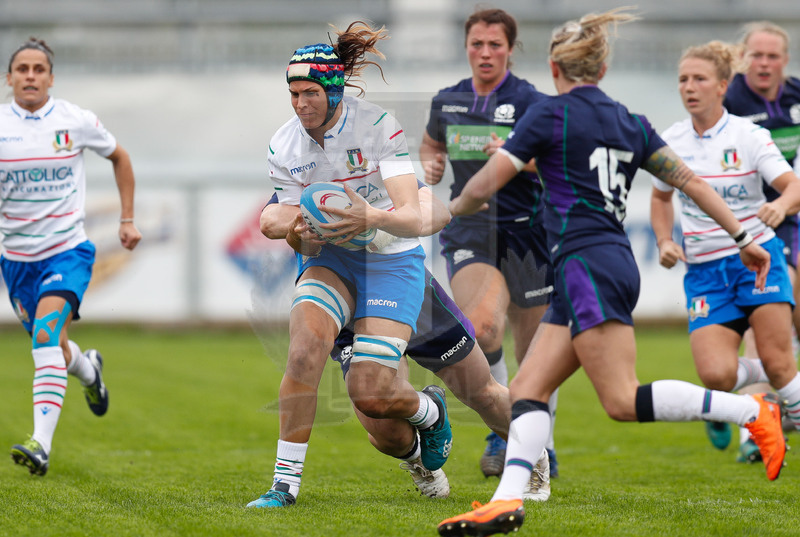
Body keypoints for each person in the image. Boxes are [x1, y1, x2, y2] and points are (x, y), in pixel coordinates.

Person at [437, 10, 787, 537]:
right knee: (529, 387)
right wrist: (743, 238)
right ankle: (505, 502)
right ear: (600, 71)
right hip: (601, 261)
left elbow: (484, 185)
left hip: (586, 264)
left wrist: (449, 207)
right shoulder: (630, 120)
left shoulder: (548, 115)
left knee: (621, 400)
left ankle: (749, 412)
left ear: (556, 68)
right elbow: (691, 183)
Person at [247, 22, 453, 508]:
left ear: (334, 90)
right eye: (294, 93)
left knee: (373, 395)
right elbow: (302, 237)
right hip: (334, 262)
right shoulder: (284, 144)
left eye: (311, 92)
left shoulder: (378, 126)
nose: (301, 104)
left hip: (388, 258)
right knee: (302, 353)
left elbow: (409, 212)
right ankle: (284, 486)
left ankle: (429, 411)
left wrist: (370, 216)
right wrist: (300, 230)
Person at [257, 186, 552, 503]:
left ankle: (535, 457)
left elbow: (431, 208)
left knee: (480, 389)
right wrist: (297, 226)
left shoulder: (376, 157)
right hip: (345, 301)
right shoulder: (301, 169)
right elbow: (271, 217)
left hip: (403, 285)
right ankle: (421, 453)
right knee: (382, 426)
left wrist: (380, 219)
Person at [419, 7, 558, 479]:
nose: (485, 52)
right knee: (482, 328)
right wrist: (432, 163)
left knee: (535, 350)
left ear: (511, 49)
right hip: (472, 229)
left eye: (494, 44)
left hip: (529, 231)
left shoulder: (533, 102)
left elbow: (557, 163)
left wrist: (519, 159)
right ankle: (503, 433)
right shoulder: (448, 101)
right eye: (477, 44)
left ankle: (543, 441)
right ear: (466, 47)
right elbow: (430, 143)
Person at [650, 39, 800, 458]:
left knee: (778, 362)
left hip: (758, 260)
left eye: (699, 78)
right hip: (703, 271)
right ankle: (745, 404)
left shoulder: (748, 135)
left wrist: (779, 204)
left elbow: (793, 187)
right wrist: (664, 240)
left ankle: (778, 411)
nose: (689, 87)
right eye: (683, 79)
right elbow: (661, 198)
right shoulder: (670, 141)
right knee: (715, 375)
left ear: (723, 85)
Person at [1, 38, 141, 476]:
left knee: (45, 336)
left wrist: (127, 218)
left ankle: (40, 445)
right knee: (54, 348)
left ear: (50, 78)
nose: (29, 75)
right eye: (21, 68)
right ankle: (88, 369)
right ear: (9, 78)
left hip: (67, 250)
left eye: (38, 69)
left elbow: (119, 157)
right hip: (16, 259)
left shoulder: (74, 121)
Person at [722, 21, 800, 461]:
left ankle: (767, 409)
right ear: (742, 57)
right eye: (756, 55)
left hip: (789, 215)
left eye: (773, 56)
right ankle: (754, 431)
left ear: (784, 61)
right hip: (746, 224)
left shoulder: (796, 97)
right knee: (768, 320)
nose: (764, 63)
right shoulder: (730, 100)